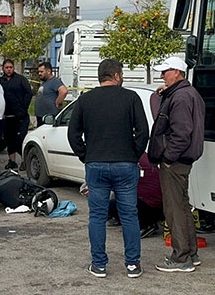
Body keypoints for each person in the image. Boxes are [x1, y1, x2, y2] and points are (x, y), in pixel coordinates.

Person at [67, 59, 149, 279]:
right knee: (129, 215)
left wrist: (86, 155)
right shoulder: (131, 98)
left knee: (97, 216)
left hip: (96, 165)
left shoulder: (85, 100)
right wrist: (133, 154)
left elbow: (73, 134)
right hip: (125, 165)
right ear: (116, 75)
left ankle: (99, 264)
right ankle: (132, 264)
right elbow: (143, 131)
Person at [148, 56, 205, 273]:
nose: (162, 75)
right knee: (182, 206)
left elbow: (181, 134)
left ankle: (181, 258)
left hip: (176, 161)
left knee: (174, 209)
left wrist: (169, 158)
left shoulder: (180, 97)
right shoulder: (188, 93)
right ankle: (190, 253)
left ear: (177, 72)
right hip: (184, 160)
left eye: (165, 71)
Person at [106, 153, 164, 239]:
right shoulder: (145, 157)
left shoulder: (128, 160)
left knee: (110, 204)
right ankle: (144, 222)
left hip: (147, 206)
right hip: (161, 207)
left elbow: (118, 186)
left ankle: (144, 225)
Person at [0, 59, 32, 170]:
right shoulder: (0, 81)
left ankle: (24, 161)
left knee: (20, 141)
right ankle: (12, 161)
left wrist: (23, 107)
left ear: (13, 68)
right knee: (9, 140)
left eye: (10, 67)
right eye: (6, 67)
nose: (9, 69)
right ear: (3, 68)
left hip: (21, 117)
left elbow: (29, 93)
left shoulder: (21, 79)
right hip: (7, 117)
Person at [34, 62, 67, 126]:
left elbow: (63, 91)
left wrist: (58, 102)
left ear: (48, 71)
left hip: (49, 117)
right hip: (41, 116)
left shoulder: (54, 81)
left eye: (41, 72)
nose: (39, 74)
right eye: (39, 72)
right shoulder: (45, 82)